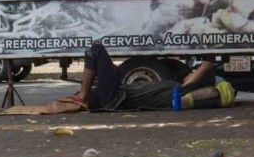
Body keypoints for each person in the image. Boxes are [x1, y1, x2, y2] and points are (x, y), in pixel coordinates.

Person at [69, 43, 217, 111]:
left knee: (95, 50)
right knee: (99, 56)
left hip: (115, 97)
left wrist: (205, 67)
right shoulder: (174, 86)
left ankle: (82, 95)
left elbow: (204, 68)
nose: (193, 72)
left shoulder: (179, 92)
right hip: (117, 93)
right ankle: (82, 95)